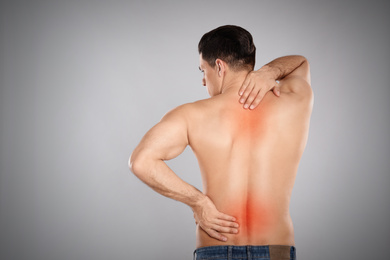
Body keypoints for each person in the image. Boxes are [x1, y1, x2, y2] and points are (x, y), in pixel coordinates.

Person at [129, 25, 313, 260]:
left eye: (202, 71)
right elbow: (300, 63)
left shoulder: (192, 114)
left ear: (219, 66)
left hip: (216, 247)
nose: (204, 82)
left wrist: (198, 202)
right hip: (276, 248)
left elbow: (140, 161)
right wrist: (270, 71)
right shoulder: (293, 99)